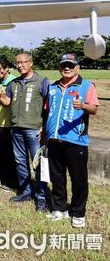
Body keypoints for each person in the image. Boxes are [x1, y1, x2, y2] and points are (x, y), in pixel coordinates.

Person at [44, 53, 99, 228]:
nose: (67, 68)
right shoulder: (53, 87)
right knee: (57, 177)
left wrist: (83, 106)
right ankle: (60, 208)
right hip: (54, 139)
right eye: (63, 65)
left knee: (79, 179)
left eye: (70, 65)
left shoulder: (87, 86)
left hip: (76, 141)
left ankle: (78, 212)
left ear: (77, 67)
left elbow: (94, 108)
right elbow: (47, 110)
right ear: (59, 67)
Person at [0, 52, 49, 213]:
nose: (20, 65)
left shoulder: (42, 81)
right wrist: (1, 96)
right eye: (17, 63)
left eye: (23, 62)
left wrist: (45, 127)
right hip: (16, 128)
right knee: (20, 161)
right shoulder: (14, 83)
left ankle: (42, 197)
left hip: (34, 129)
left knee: (38, 164)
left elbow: (49, 107)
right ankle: (26, 192)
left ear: (31, 63)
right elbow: (7, 103)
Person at [0, 56, 18, 191]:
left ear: (7, 68)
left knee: (9, 154)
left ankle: (11, 182)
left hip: (8, 124)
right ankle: (3, 178)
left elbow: (10, 103)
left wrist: (1, 96)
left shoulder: (13, 82)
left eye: (0, 69)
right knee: (1, 153)